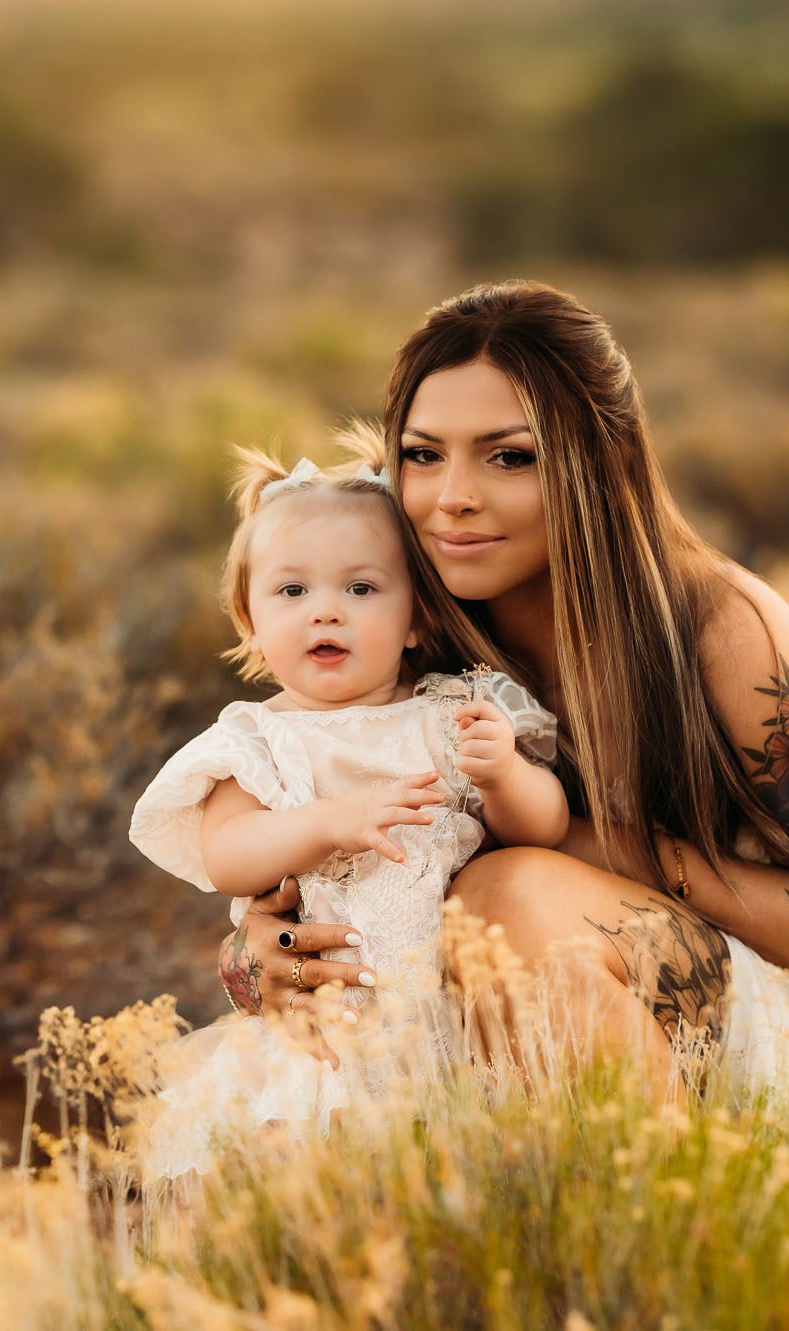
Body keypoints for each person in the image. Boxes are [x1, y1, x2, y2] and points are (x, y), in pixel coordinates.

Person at [216, 279, 789, 1156]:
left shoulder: (721, 629)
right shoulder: (405, 620)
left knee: (505, 898)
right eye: (422, 455)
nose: (451, 497)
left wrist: (579, 840)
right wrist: (260, 956)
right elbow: (310, 878)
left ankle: (666, 1256)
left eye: (509, 457)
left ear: (598, 460)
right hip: (524, 1027)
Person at [127, 441, 571, 1186]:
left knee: (452, 1176)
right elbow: (227, 854)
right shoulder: (258, 738)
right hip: (326, 1024)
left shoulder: (451, 716)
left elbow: (545, 830)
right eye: (291, 592)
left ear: (415, 619)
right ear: (250, 620)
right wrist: (328, 821)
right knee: (307, 1174)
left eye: (362, 590)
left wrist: (504, 776)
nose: (326, 609)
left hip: (452, 1016)